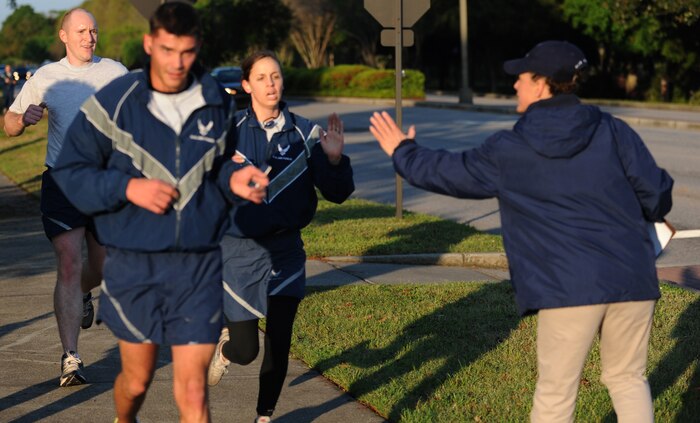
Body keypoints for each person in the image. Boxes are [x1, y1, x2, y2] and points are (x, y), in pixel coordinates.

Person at [369, 41, 673, 423]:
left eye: (522, 78)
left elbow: (450, 172)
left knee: (556, 393)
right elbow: (658, 194)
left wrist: (403, 151)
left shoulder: (512, 147)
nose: (515, 85)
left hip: (568, 287)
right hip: (633, 277)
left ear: (544, 84)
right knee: (628, 379)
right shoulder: (613, 130)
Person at [51, 3, 269, 421]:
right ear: (150, 43)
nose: (177, 63)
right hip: (135, 264)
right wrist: (127, 186)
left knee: (193, 393)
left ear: (198, 47)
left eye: (187, 52)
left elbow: (217, 166)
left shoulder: (214, 100)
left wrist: (234, 180)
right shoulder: (115, 102)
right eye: (167, 51)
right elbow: (70, 171)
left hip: (199, 263)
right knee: (136, 381)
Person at [206, 50, 355, 423]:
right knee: (246, 349)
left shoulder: (307, 133)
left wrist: (335, 161)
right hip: (238, 252)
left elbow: (337, 192)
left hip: (286, 250)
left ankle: (264, 415)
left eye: (275, 76)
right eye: (261, 78)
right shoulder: (230, 133)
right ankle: (226, 352)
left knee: (279, 337)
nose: (270, 84)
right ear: (246, 85)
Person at [2, 8, 127, 387]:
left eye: (94, 30)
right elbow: (8, 124)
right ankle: (70, 357)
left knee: (103, 267)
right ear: (64, 36)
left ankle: (84, 294)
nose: (90, 37)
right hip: (62, 180)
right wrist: (22, 120)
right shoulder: (47, 77)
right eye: (82, 31)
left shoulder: (115, 73)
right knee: (69, 263)